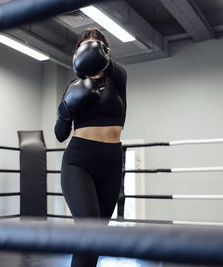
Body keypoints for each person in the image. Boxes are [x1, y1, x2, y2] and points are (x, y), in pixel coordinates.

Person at [54, 28, 127, 267]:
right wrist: (67, 108)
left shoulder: (118, 78)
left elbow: (108, 64)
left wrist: (97, 52)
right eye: (85, 47)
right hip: (79, 161)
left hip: (112, 163)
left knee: (96, 240)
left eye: (96, 46)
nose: (90, 52)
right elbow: (59, 134)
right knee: (88, 234)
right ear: (77, 54)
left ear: (105, 52)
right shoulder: (73, 86)